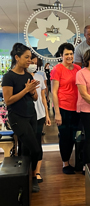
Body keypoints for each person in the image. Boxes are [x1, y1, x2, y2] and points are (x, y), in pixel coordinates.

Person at [2, 43, 41, 192]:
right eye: (26, 58)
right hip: (17, 117)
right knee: (35, 149)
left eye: (30, 58)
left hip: (31, 115)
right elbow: (8, 100)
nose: (29, 61)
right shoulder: (8, 77)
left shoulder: (28, 75)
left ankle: (26, 179)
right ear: (17, 58)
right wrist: (26, 90)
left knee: (26, 149)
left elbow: (36, 98)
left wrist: (32, 91)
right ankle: (32, 177)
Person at [51, 43, 81, 174]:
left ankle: (72, 160)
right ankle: (65, 163)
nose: (69, 56)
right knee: (65, 136)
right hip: (62, 107)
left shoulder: (78, 68)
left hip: (76, 108)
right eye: (66, 54)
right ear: (61, 55)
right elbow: (53, 92)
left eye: (71, 53)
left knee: (73, 136)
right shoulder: (57, 69)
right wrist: (57, 113)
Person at [27, 56, 51, 183]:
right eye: (31, 62)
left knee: (37, 143)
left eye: (35, 63)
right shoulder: (21, 77)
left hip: (40, 115)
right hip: (26, 116)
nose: (33, 65)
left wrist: (47, 115)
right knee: (27, 144)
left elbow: (43, 98)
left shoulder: (40, 77)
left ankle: (37, 171)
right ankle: (27, 171)